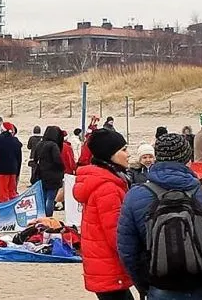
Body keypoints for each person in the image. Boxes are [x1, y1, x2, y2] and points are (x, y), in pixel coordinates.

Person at [118, 133, 202, 299]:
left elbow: (128, 251)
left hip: (160, 286)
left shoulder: (135, 195)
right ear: (188, 159)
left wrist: (144, 285)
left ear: (157, 158)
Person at [73, 128, 134, 300]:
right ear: (110, 155)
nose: (128, 154)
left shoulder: (107, 181)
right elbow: (116, 233)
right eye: (124, 150)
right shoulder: (108, 187)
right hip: (109, 266)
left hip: (102, 264)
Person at [31, 126, 65, 217]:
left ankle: (42, 216)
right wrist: (62, 168)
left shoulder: (40, 144)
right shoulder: (53, 145)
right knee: (50, 198)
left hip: (41, 174)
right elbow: (58, 160)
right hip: (53, 175)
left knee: (43, 197)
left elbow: (35, 158)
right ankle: (48, 217)